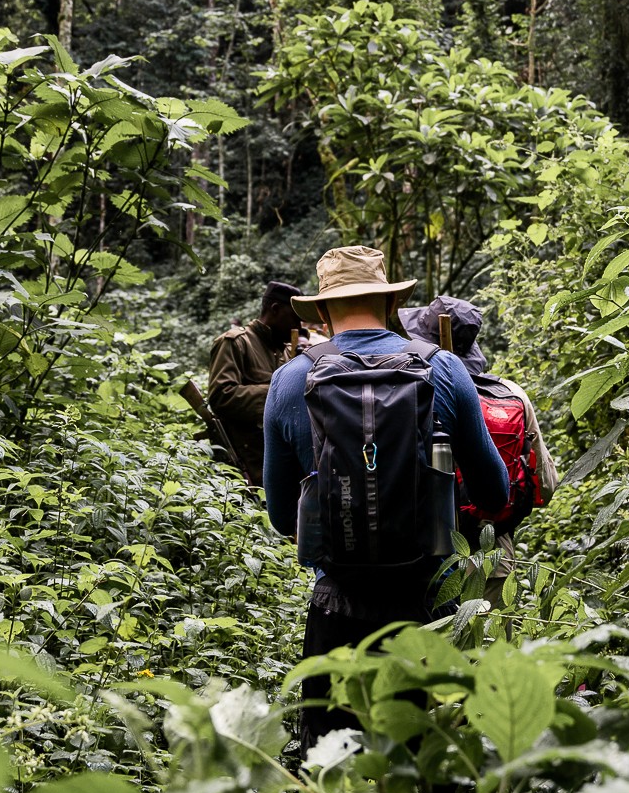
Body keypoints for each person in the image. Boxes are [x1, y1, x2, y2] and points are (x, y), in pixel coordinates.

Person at [263, 246, 508, 740]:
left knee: (335, 775)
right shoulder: (444, 369)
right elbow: (495, 492)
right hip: (431, 606)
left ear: (325, 310)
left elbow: (281, 517)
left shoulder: (290, 380)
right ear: (391, 304)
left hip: (337, 608)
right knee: (431, 773)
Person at [400, 294, 559, 522]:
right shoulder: (512, 394)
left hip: (429, 541)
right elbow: (547, 485)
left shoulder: (410, 390)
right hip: (495, 543)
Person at [206, 281, 300, 487]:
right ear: (275, 309)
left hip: (276, 464)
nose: (299, 327)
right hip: (245, 467)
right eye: (295, 318)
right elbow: (221, 395)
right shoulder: (235, 342)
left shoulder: (284, 351)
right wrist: (279, 393)